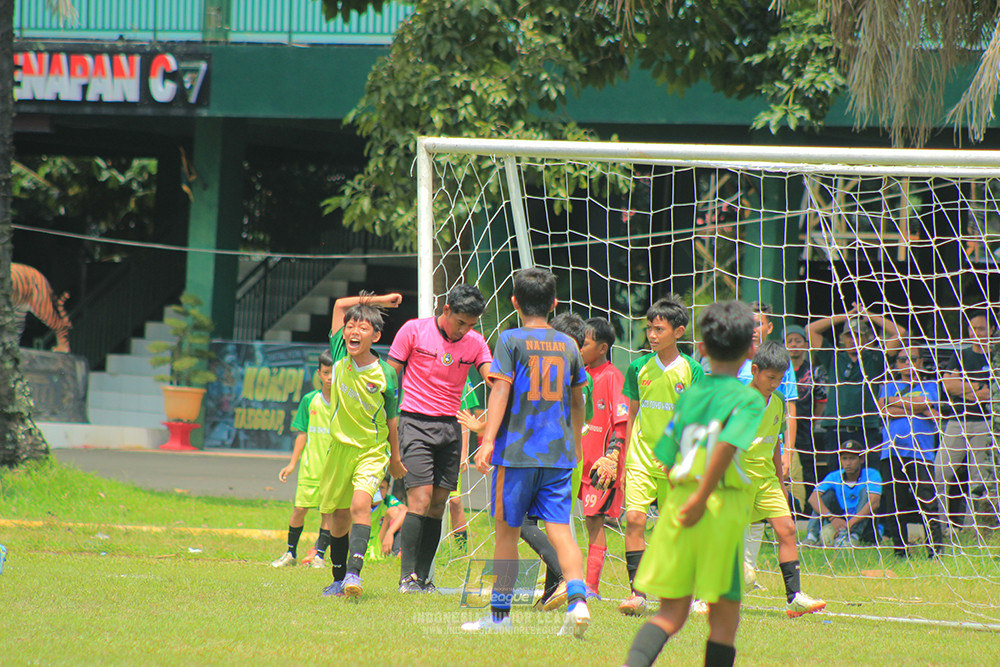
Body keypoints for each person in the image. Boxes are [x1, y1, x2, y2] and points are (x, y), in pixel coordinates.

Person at [621, 301, 765, 667]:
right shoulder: (749, 399)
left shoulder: (691, 397)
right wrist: (702, 496)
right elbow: (726, 446)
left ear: (700, 347)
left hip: (678, 508)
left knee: (670, 614)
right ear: (751, 350)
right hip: (717, 509)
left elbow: (667, 456)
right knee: (723, 620)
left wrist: (685, 494)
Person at [461, 268, 590, 637]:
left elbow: (500, 391)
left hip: (516, 454)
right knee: (561, 530)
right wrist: (576, 447)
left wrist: (487, 439)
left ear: (514, 302)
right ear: (554, 303)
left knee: (506, 534)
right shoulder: (568, 344)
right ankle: (578, 600)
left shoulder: (510, 339)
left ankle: (500, 618)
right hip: (558, 456)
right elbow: (578, 400)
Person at [388, 284, 493, 593]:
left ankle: (424, 578)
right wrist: (386, 423)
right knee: (418, 500)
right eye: (461, 322)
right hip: (414, 423)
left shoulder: (475, 342)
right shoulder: (413, 331)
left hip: (450, 428)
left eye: (471, 325)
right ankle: (407, 578)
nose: (465, 330)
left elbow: (490, 376)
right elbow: (390, 378)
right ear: (446, 310)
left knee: (438, 504)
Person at [619, 295, 704, 616]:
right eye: (649, 329)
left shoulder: (692, 371)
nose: (652, 335)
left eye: (659, 329)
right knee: (634, 519)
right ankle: (637, 594)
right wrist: (622, 456)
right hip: (640, 459)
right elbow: (630, 416)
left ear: (678, 331)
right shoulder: (638, 367)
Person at [319, 301, 406, 599]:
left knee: (360, 506)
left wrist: (395, 459)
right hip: (339, 450)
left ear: (376, 336)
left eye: (363, 327)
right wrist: (379, 301)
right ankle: (338, 578)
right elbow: (340, 305)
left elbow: (392, 421)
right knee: (339, 516)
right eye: (350, 326)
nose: (354, 331)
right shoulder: (340, 356)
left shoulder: (385, 374)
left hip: (371, 451)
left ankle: (355, 574)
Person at [741, 341, 825, 617]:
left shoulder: (777, 403)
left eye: (780, 378)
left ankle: (794, 598)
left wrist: (780, 481)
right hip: (736, 480)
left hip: (766, 481)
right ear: (755, 371)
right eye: (770, 377)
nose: (775, 383)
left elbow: (775, 444)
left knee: (787, 529)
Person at [806, 303, 906, 469]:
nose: (853, 340)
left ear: (866, 338)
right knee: (836, 479)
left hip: (867, 429)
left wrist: (868, 315)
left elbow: (900, 332)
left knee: (869, 478)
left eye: (858, 336)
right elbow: (810, 329)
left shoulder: (875, 358)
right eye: (849, 336)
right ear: (842, 339)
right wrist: (847, 315)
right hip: (836, 428)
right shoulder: (834, 356)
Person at [876, 345, 944, 558]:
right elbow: (883, 409)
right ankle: (900, 551)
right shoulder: (888, 385)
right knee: (895, 502)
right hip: (891, 451)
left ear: (921, 362)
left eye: (912, 359)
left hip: (921, 452)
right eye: (902, 360)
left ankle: (935, 550)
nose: (907, 364)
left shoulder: (930, 385)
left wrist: (897, 404)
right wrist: (918, 407)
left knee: (927, 500)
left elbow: (933, 411)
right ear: (896, 365)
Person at [271, 349, 336, 569]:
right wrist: (292, 464)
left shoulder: (342, 402)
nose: (329, 377)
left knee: (327, 512)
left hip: (333, 469)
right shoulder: (310, 400)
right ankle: (290, 553)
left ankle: (319, 555)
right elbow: (302, 433)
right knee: (299, 509)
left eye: (333, 373)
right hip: (310, 468)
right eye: (326, 372)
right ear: (318, 373)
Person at [578, 316, 628, 599]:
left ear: (602, 347)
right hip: (575, 462)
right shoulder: (579, 373)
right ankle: (562, 579)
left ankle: (591, 586)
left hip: (600, 467)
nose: (580, 348)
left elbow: (621, 421)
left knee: (594, 522)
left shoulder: (612, 377)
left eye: (584, 344)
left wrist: (613, 455)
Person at [937, 310, 999, 530]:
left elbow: (989, 394)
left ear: (992, 330)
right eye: (972, 329)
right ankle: (942, 526)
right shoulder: (960, 354)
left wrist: (963, 385)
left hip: (985, 422)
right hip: (957, 421)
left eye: (981, 329)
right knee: (941, 471)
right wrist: (977, 386)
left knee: (979, 477)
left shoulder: (995, 356)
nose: (976, 333)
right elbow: (948, 385)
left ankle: (975, 528)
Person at [785, 324, 829, 512]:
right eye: (789, 341)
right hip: (782, 426)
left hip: (804, 428)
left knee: (808, 469)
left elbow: (822, 399)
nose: (794, 344)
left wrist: (814, 419)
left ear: (805, 344)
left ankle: (810, 512)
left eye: (798, 340)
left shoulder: (814, 371)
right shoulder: (780, 370)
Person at [805, 440, 882, 547]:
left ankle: (853, 536)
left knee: (866, 493)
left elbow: (874, 502)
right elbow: (812, 499)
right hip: (839, 518)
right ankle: (811, 537)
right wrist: (832, 518)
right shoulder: (834, 476)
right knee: (825, 495)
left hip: (863, 524)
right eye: (844, 459)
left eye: (852, 458)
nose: (848, 463)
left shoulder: (871, 474)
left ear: (861, 459)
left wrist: (850, 524)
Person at [367, 476, 408, 560]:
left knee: (394, 512)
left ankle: (397, 552)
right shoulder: (361, 499)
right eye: (375, 487)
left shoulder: (387, 500)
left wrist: (390, 533)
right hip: (361, 539)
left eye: (382, 488)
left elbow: (404, 510)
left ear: (388, 488)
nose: (378, 491)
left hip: (379, 541)